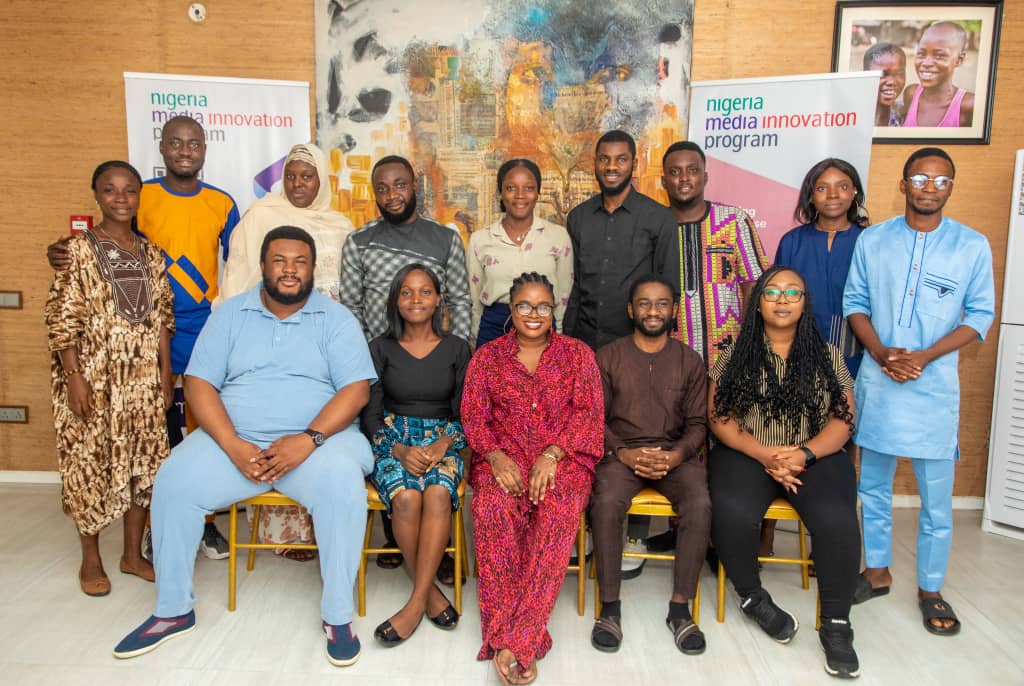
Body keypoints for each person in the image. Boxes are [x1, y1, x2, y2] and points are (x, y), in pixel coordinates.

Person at [113, 226, 376, 666]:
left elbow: (356, 391)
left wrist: (307, 440)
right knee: (175, 480)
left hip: (318, 444)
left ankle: (337, 616)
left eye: (299, 262)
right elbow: (198, 383)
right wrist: (232, 444)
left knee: (341, 487)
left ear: (313, 268)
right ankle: (173, 609)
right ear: (263, 265)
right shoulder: (230, 314)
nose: (289, 271)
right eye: (280, 261)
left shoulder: (335, 318)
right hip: (236, 443)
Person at [47, 115, 240, 560]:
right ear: (163, 148)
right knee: (152, 438)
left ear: (205, 149)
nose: (185, 151)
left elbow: (242, 262)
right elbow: (90, 260)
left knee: (199, 429)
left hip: (196, 332)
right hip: (124, 346)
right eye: (175, 143)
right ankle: (156, 526)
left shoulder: (222, 203)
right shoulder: (142, 196)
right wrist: (58, 251)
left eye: (193, 144)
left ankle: (205, 522)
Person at [844, 148, 995, 637]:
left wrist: (924, 357)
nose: (929, 187)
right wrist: (884, 353)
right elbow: (855, 302)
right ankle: (878, 570)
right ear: (903, 183)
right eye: (920, 178)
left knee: (935, 499)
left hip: (933, 387)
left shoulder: (971, 246)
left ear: (950, 187)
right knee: (874, 486)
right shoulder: (874, 240)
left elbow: (979, 315)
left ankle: (931, 588)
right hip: (880, 379)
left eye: (940, 180)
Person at [709, 265, 862, 679]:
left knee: (837, 521)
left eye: (792, 292)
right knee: (732, 511)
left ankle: (836, 624)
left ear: (804, 302)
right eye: (772, 292)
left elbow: (844, 420)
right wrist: (764, 455)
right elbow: (719, 419)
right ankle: (752, 597)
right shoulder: (733, 354)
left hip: (814, 456)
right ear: (756, 303)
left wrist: (803, 456)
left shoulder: (828, 356)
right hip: (747, 452)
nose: (781, 299)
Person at [462, 272, 603, 685]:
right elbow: (473, 416)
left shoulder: (578, 355)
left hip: (564, 459)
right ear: (511, 309)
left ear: (554, 310)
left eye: (543, 306)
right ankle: (520, 636)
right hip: (501, 458)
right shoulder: (487, 357)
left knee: (557, 511)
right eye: (525, 305)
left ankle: (514, 642)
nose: (534, 314)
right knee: (490, 507)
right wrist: (495, 454)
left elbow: (589, 415)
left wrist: (552, 454)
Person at [217, 142, 355, 561]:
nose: (298, 184)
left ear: (321, 182)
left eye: (307, 176)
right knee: (275, 414)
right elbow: (238, 276)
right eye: (291, 176)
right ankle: (286, 532)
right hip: (271, 332)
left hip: (325, 337)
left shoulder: (339, 223)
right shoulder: (261, 217)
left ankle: (324, 525)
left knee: (316, 422)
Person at [45, 160, 175, 596]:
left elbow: (161, 319)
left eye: (129, 190)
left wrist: (165, 373)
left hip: (141, 381)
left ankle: (132, 554)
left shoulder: (151, 254)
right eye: (110, 190)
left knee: (144, 466)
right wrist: (74, 376)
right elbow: (62, 319)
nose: (121, 198)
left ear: (140, 196)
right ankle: (91, 558)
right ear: (96, 195)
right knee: (90, 463)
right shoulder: (78, 250)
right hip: (94, 379)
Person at [340, 154, 472, 576]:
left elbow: (460, 301)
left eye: (399, 185)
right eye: (382, 188)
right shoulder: (359, 241)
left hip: (435, 362)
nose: (391, 195)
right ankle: (399, 538)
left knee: (433, 477)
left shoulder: (444, 238)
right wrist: (364, 364)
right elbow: (351, 306)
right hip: (378, 361)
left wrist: (454, 355)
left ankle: (437, 548)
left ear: (414, 186)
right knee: (388, 442)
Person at [564, 129, 677, 576]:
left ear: (635, 163)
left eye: (621, 159)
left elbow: (668, 290)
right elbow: (573, 287)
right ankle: (586, 528)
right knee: (584, 433)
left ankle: (633, 535)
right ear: (595, 163)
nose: (612, 167)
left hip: (636, 346)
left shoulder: (658, 219)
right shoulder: (578, 217)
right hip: (585, 342)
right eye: (604, 159)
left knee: (637, 428)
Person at [649, 140, 768, 560]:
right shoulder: (655, 223)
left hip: (728, 356)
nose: (684, 178)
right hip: (672, 359)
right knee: (676, 437)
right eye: (675, 172)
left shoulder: (733, 222)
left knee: (725, 444)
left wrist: (755, 347)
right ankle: (680, 530)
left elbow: (756, 285)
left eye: (691, 170)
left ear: (704, 175)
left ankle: (724, 538)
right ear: (663, 179)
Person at [589, 276, 710, 655]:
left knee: (700, 504)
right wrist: (623, 453)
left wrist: (674, 456)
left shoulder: (689, 360)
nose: (653, 311)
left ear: (674, 310)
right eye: (644, 303)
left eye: (661, 304)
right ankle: (610, 609)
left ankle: (679, 609)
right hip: (621, 455)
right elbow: (594, 418)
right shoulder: (607, 356)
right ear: (631, 310)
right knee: (606, 503)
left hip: (675, 455)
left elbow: (698, 425)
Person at [360, 263, 471, 645]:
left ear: (439, 299)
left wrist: (442, 445)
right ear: (395, 300)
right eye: (406, 292)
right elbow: (370, 416)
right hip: (393, 439)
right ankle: (431, 596)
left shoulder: (458, 348)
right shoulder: (379, 347)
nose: (416, 299)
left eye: (425, 291)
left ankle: (413, 605)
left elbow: (467, 413)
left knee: (438, 492)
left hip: (445, 438)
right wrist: (400, 449)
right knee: (407, 498)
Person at [776, 158, 870, 377]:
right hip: (798, 355)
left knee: (847, 409)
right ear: (810, 195)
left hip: (854, 354)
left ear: (855, 192)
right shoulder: (792, 241)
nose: (833, 195)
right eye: (822, 188)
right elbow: (779, 300)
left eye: (843, 186)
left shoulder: (869, 241)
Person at [468, 158, 572, 347]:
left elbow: (564, 296)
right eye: (511, 188)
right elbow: (475, 302)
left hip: (541, 326)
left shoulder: (558, 237)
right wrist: (476, 342)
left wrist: (559, 339)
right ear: (501, 193)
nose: (520, 195)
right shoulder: (480, 240)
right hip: (493, 328)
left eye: (529, 188)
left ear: (538, 193)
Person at [901, 22, 975, 128]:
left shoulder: (969, 105)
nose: (926, 63)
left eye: (939, 56)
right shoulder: (911, 94)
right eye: (921, 54)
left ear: (959, 60)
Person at [864, 43, 907, 127]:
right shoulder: (853, 117)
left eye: (899, 73)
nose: (891, 82)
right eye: (882, 74)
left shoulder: (905, 113)